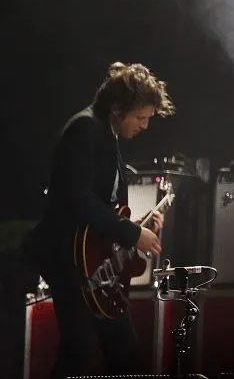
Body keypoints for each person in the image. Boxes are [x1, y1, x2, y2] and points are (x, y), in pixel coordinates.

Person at [25, 62, 175, 378]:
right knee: (80, 351)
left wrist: (139, 227)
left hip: (92, 261)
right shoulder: (86, 129)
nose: (146, 125)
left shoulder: (106, 130)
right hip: (67, 258)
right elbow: (77, 199)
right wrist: (131, 233)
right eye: (141, 117)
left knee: (121, 350)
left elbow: (104, 204)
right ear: (118, 109)